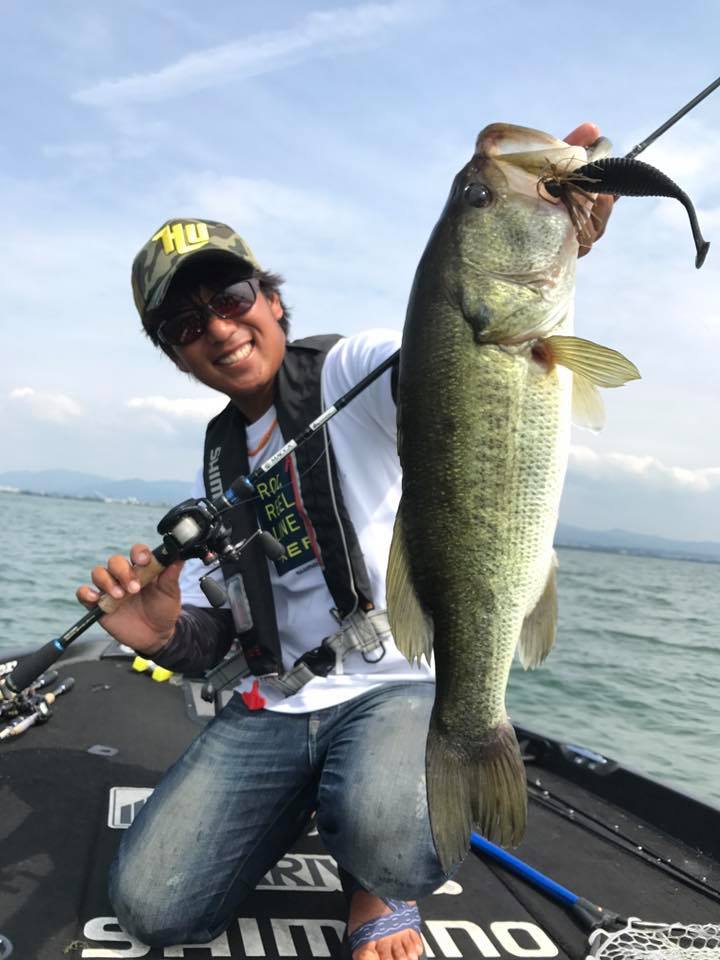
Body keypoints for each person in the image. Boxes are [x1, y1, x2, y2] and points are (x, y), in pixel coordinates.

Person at [77, 123, 613, 960]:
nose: (217, 328)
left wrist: (549, 240)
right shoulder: (222, 454)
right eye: (184, 323)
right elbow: (244, 632)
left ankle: (376, 881)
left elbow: (455, 360)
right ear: (174, 355)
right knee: (153, 906)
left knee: (393, 838)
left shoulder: (351, 370)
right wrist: (165, 634)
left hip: (398, 682)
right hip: (281, 701)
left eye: (231, 297)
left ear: (271, 298)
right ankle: (313, 792)